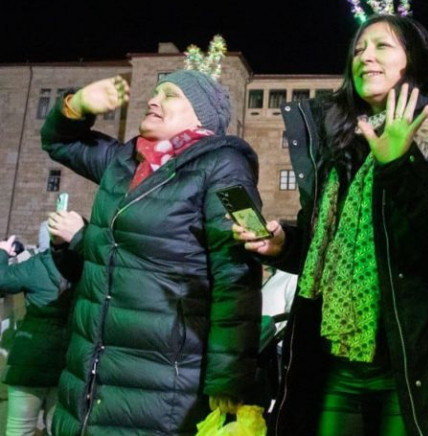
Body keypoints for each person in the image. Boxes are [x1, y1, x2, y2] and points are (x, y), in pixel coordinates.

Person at [233, 14, 428, 436]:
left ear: (411, 62)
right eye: (359, 49)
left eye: (382, 47)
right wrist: (284, 245)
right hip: (334, 366)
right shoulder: (339, 148)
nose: (366, 57)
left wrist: (402, 165)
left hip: (413, 368)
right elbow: (328, 253)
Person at [41, 70, 263, 435]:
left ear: (202, 117)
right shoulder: (125, 161)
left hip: (163, 381)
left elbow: (238, 271)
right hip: (90, 375)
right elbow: (59, 143)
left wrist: (229, 377)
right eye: (155, 91)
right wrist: (76, 105)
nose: (154, 99)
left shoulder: (224, 167)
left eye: (171, 94)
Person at [0, 211, 81, 436]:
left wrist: (3, 252)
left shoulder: (37, 266)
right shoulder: (86, 267)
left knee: (19, 429)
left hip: (28, 361)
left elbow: (1, 278)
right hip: (68, 364)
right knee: (58, 430)